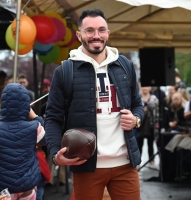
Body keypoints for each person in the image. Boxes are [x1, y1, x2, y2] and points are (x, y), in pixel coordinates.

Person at [45, 8, 143, 200]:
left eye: (101, 30)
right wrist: (55, 153)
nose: (96, 35)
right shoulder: (65, 71)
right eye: (90, 30)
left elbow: (138, 106)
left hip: (125, 164)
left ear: (108, 33)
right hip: (86, 165)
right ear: (79, 35)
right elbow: (53, 119)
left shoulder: (125, 66)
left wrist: (136, 120)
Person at [0, 83, 45, 200]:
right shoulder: (35, 127)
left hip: (2, 188)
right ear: (26, 105)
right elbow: (46, 139)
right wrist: (35, 116)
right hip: (28, 186)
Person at [137, 86, 159, 168]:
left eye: (146, 87)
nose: (144, 88)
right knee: (139, 143)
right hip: (140, 124)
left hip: (150, 124)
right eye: (142, 87)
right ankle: (138, 161)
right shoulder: (137, 98)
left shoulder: (154, 98)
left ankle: (151, 160)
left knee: (151, 143)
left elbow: (156, 110)